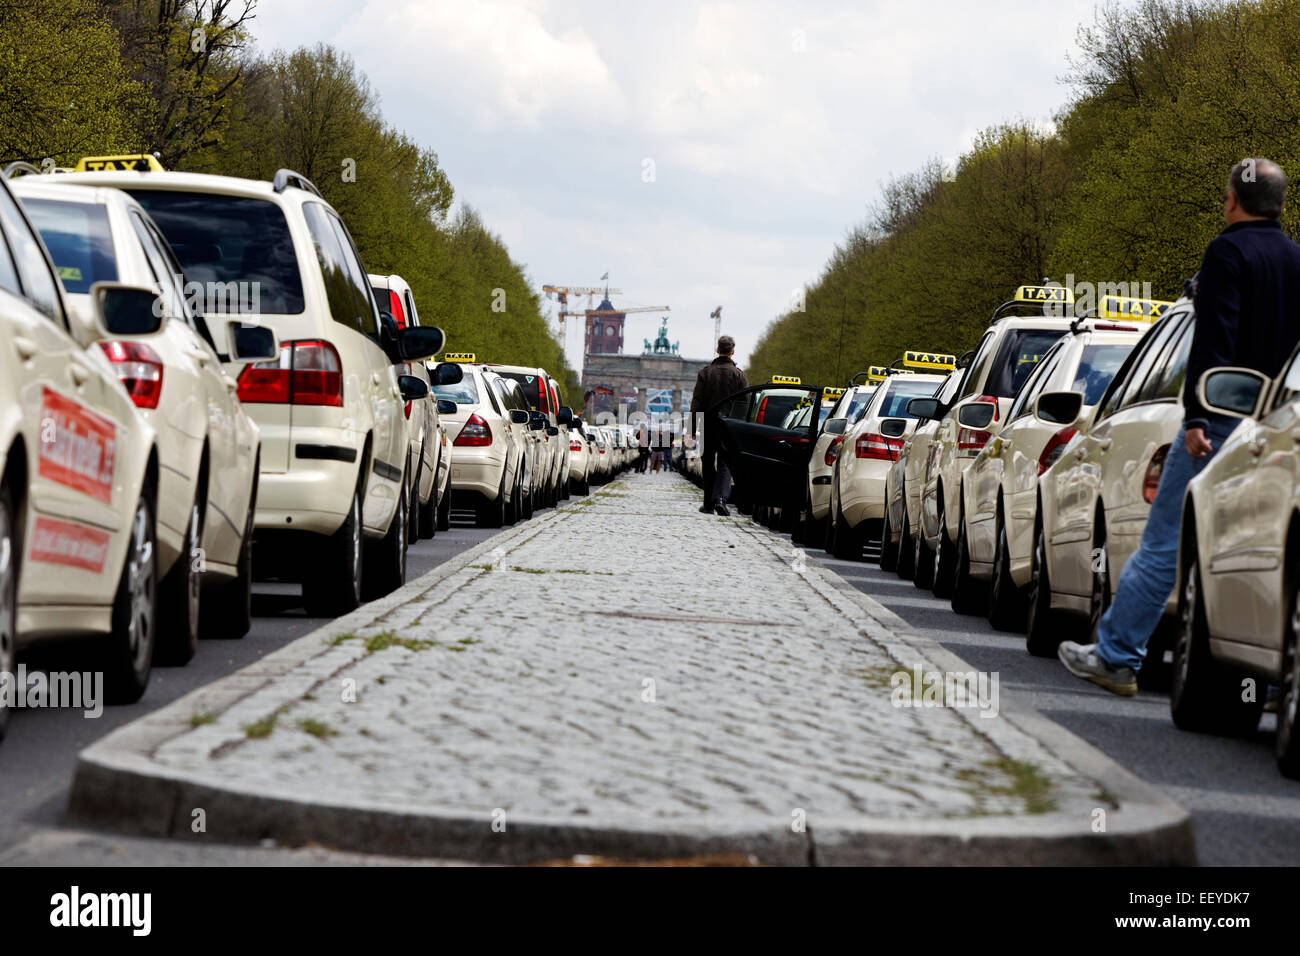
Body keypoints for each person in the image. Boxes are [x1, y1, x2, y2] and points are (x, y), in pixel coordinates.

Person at [1059, 158, 1300, 696]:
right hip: (1275, 424)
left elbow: (1215, 338)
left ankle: (1117, 655)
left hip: (1218, 421)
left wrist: (1195, 415)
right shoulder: (1296, 260)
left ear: (1233, 201)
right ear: (1281, 205)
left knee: (1166, 542)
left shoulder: (1227, 253)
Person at [690, 334, 748, 515]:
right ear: (732, 351)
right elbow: (744, 404)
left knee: (707, 463)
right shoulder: (740, 376)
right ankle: (721, 499)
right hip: (729, 427)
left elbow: (697, 402)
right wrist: (739, 427)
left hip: (708, 425)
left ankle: (708, 503)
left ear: (717, 350)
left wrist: (692, 428)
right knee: (725, 463)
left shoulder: (705, 373)